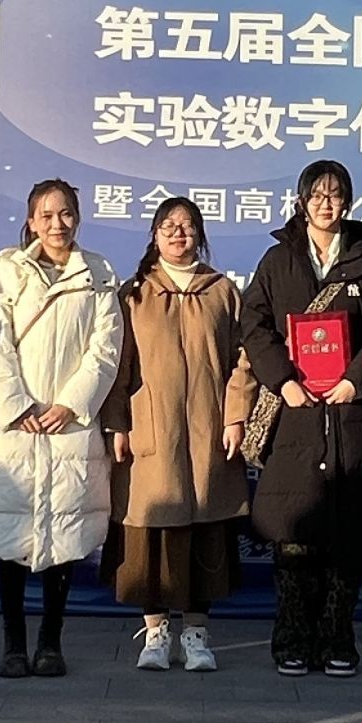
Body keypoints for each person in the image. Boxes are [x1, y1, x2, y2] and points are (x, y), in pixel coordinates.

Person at [242, 160, 362, 678]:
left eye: (335, 195)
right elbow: (255, 326)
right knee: (293, 534)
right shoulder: (278, 260)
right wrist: (283, 381)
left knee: (346, 539)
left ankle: (338, 638)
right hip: (296, 417)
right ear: (301, 202)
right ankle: (291, 638)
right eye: (317, 195)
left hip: (353, 417)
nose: (326, 204)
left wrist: (356, 379)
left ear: (348, 203)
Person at [0, 179, 123, 679]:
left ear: (78, 217)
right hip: (15, 425)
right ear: (32, 221)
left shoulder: (98, 273)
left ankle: (51, 642)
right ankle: (13, 644)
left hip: (69, 426)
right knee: (10, 529)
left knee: (64, 532)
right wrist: (15, 406)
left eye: (66, 214)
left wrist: (71, 404)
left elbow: (106, 348)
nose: (58, 224)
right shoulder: (6, 269)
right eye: (47, 215)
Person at [101, 199, 256, 672]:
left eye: (188, 226)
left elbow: (243, 359)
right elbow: (117, 364)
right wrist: (118, 423)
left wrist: (235, 417)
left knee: (205, 530)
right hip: (152, 430)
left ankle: (196, 633)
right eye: (168, 225)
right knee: (151, 534)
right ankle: (155, 631)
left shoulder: (222, 291)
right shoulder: (135, 293)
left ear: (200, 235)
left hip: (209, 430)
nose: (178, 233)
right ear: (154, 235)